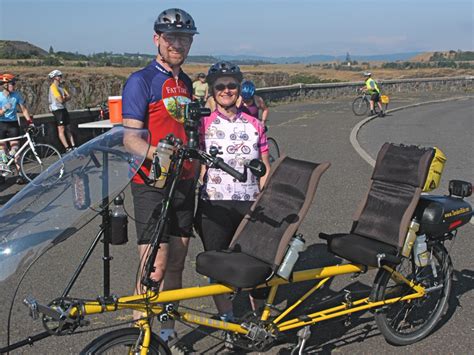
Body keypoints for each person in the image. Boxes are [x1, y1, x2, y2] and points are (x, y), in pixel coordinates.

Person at [121, 7, 199, 349]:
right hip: (152, 183)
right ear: (157, 39)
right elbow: (130, 138)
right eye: (171, 38)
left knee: (179, 262)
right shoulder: (141, 80)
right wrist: (159, 155)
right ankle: (141, 337)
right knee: (154, 267)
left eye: (184, 38)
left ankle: (167, 333)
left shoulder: (185, 83)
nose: (177, 44)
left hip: (183, 182)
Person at [195, 61, 271, 326]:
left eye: (232, 85)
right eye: (220, 86)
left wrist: (265, 195)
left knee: (256, 262)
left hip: (249, 202)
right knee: (217, 265)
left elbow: (265, 164)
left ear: (239, 88)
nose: (226, 90)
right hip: (213, 204)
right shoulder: (201, 125)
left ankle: (259, 317)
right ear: (212, 91)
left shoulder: (255, 125)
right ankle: (227, 319)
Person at [0, 73, 34, 185]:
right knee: (2, 151)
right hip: (1, 124)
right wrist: (4, 109)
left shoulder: (17, 95)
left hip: (13, 124)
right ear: (5, 85)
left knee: (16, 151)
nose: (14, 86)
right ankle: (2, 174)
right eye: (12, 84)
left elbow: (23, 110)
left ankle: (20, 175)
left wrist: (30, 122)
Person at [48, 69, 76, 152]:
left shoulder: (60, 88)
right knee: (61, 128)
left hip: (63, 109)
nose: (61, 77)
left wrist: (64, 98)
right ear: (55, 78)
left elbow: (69, 96)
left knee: (68, 128)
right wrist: (64, 98)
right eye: (59, 76)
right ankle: (67, 148)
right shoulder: (53, 87)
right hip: (57, 110)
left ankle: (73, 145)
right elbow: (60, 100)